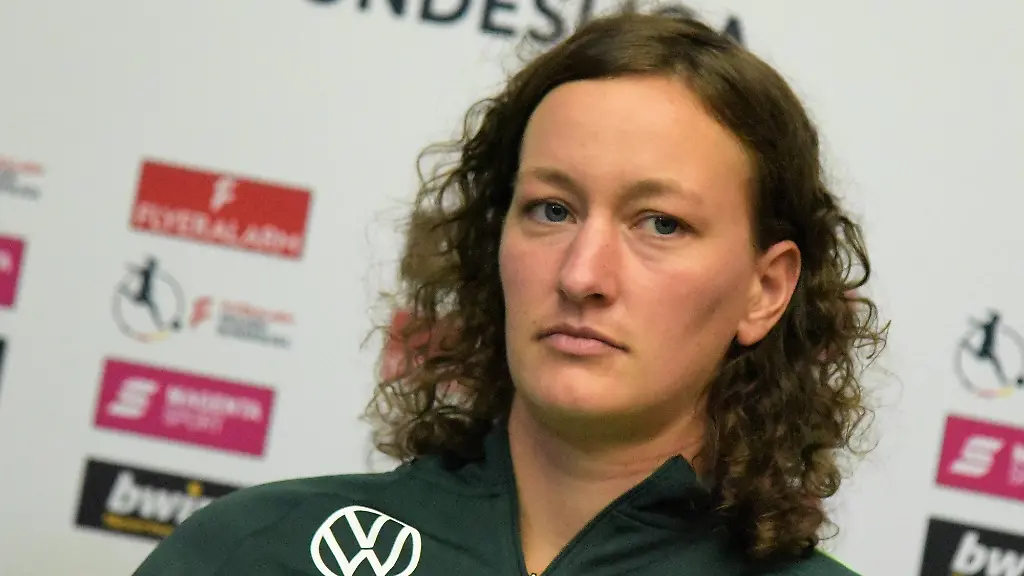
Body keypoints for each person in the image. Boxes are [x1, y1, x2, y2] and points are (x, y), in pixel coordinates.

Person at [132, 6, 888, 576]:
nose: (582, 275)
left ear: (765, 289)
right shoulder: (255, 552)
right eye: (551, 210)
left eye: (660, 223)